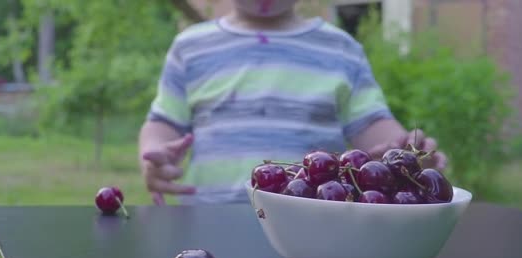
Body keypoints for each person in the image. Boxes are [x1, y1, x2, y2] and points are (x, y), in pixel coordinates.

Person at [138, 0, 447, 205]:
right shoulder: (191, 47)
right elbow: (163, 123)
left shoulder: (340, 49)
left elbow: (376, 129)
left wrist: (408, 159)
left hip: (313, 227)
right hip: (211, 222)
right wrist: (154, 156)